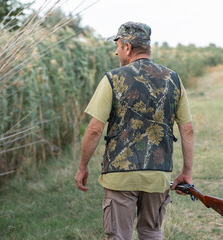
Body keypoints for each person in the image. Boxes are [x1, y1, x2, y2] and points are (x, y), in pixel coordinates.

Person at [75, 21, 194, 240]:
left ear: (128, 47)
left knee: (119, 236)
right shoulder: (173, 79)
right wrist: (186, 171)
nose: (116, 51)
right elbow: (187, 130)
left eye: (118, 45)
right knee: (151, 232)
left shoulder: (113, 79)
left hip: (119, 175)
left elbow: (94, 130)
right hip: (158, 175)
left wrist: (82, 166)